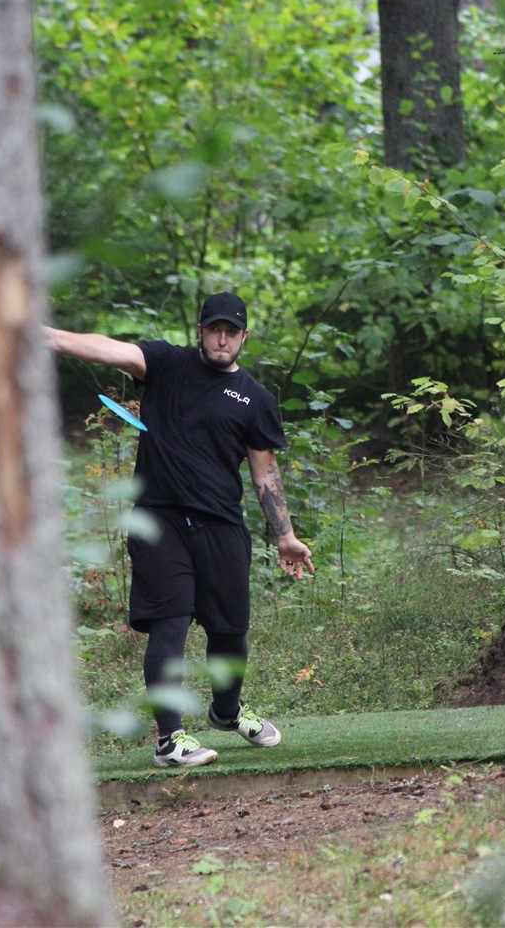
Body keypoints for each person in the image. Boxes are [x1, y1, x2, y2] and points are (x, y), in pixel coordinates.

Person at [46, 292, 315, 768]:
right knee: (169, 624)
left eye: (231, 332)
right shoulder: (167, 364)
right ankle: (170, 740)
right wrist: (49, 337)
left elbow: (265, 473)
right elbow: (109, 349)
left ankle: (227, 712)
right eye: (214, 330)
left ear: (244, 337)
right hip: (159, 520)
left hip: (220, 524)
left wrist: (285, 536)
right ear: (200, 331)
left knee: (230, 630)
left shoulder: (254, 398)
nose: (222, 339)